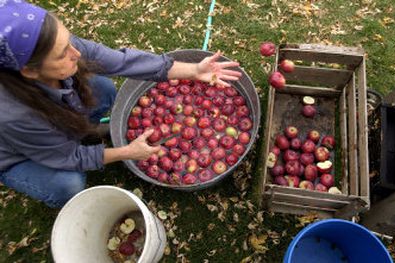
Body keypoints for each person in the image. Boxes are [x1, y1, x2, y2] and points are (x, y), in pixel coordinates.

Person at [0, 1, 242, 208]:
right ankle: (55, 176)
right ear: (29, 71)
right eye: (63, 53)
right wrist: (127, 153)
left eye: (70, 41)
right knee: (68, 184)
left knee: (102, 89)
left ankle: (84, 133)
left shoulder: (57, 47)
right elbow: (67, 157)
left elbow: (123, 62)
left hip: (52, 124)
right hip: (19, 156)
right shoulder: (14, 114)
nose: (76, 53)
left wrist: (193, 70)